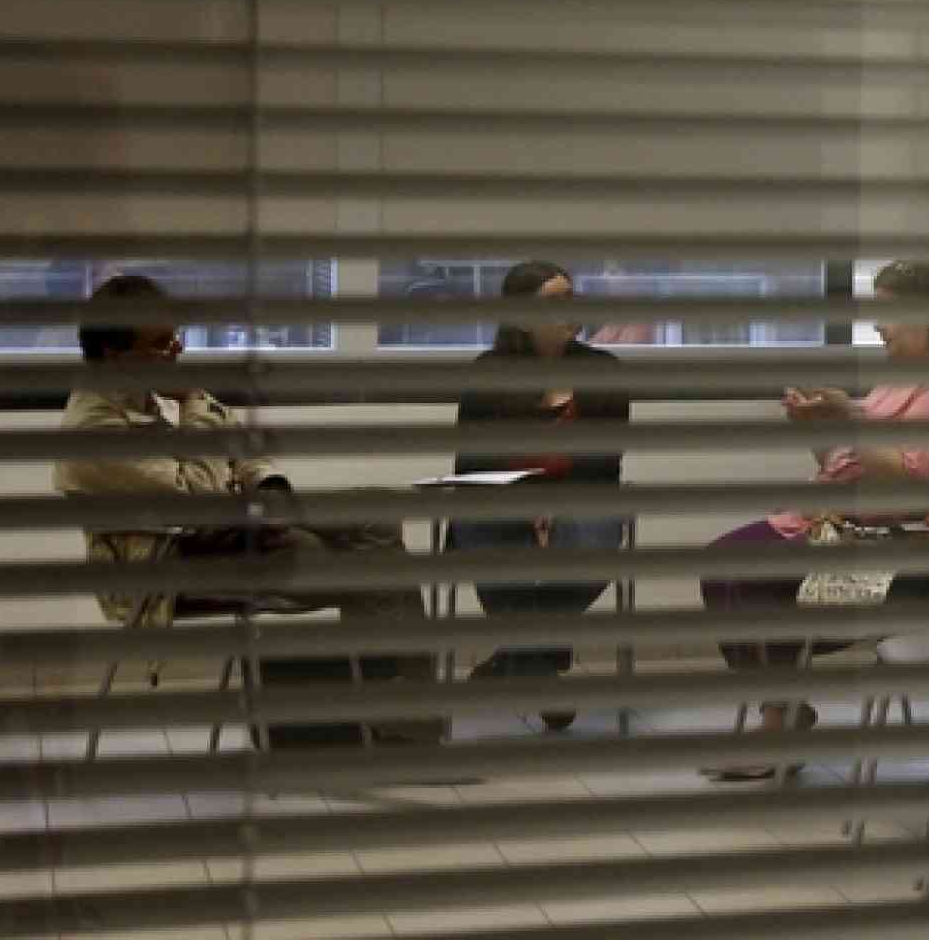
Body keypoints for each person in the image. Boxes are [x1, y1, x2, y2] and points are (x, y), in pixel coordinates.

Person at [54, 274, 442, 747]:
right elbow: (197, 496)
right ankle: (405, 725)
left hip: (232, 525)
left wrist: (269, 484)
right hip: (167, 564)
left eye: (175, 337)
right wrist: (193, 408)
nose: (177, 350)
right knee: (365, 566)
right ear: (114, 354)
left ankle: (402, 716)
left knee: (375, 515)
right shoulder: (95, 431)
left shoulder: (150, 390)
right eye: (159, 344)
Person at [699, 259, 929, 778]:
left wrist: (846, 419)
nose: (878, 327)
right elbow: (844, 464)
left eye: (888, 314)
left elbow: (916, 487)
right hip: (848, 526)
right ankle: (784, 709)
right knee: (721, 564)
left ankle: (780, 724)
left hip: (907, 558)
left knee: (758, 579)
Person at [449, 261, 631, 732]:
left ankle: (518, 659)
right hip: (501, 504)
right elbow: (470, 464)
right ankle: (540, 664)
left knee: (589, 541)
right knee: (481, 531)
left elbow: (604, 462)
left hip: (582, 500)